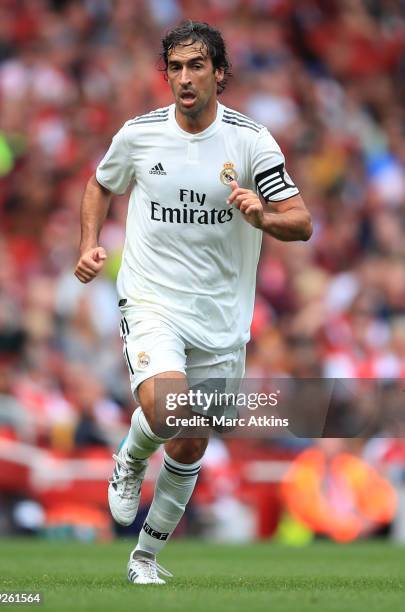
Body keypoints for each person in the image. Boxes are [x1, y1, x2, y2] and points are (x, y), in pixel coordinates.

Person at [74, 20, 312, 585]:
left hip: (223, 320)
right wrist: (89, 244)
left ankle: (145, 559)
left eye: (196, 66)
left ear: (219, 74)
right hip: (152, 299)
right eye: (175, 67)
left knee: (190, 438)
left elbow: (301, 223)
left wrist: (263, 216)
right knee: (166, 410)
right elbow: (100, 185)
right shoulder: (140, 135)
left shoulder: (251, 142)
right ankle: (130, 458)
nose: (184, 78)